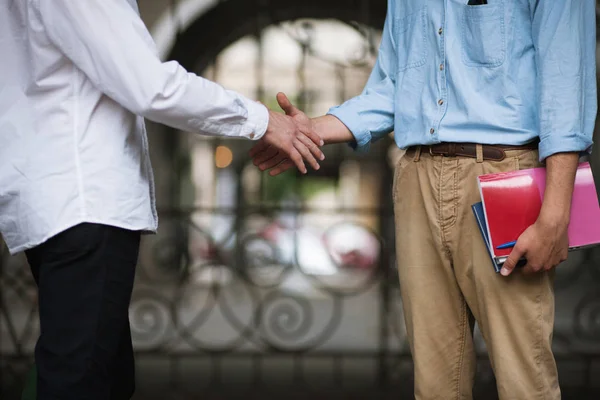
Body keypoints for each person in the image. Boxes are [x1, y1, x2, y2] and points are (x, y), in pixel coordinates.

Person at [250, 0, 597, 398]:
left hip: (505, 175)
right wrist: (312, 128)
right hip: (417, 174)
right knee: (435, 386)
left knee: (525, 381)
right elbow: (392, 88)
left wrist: (555, 215)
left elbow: (565, 79)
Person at [0, 0, 323, 399]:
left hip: (58, 195)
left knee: (96, 374)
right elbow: (151, 86)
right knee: (81, 380)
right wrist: (261, 120)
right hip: (84, 200)